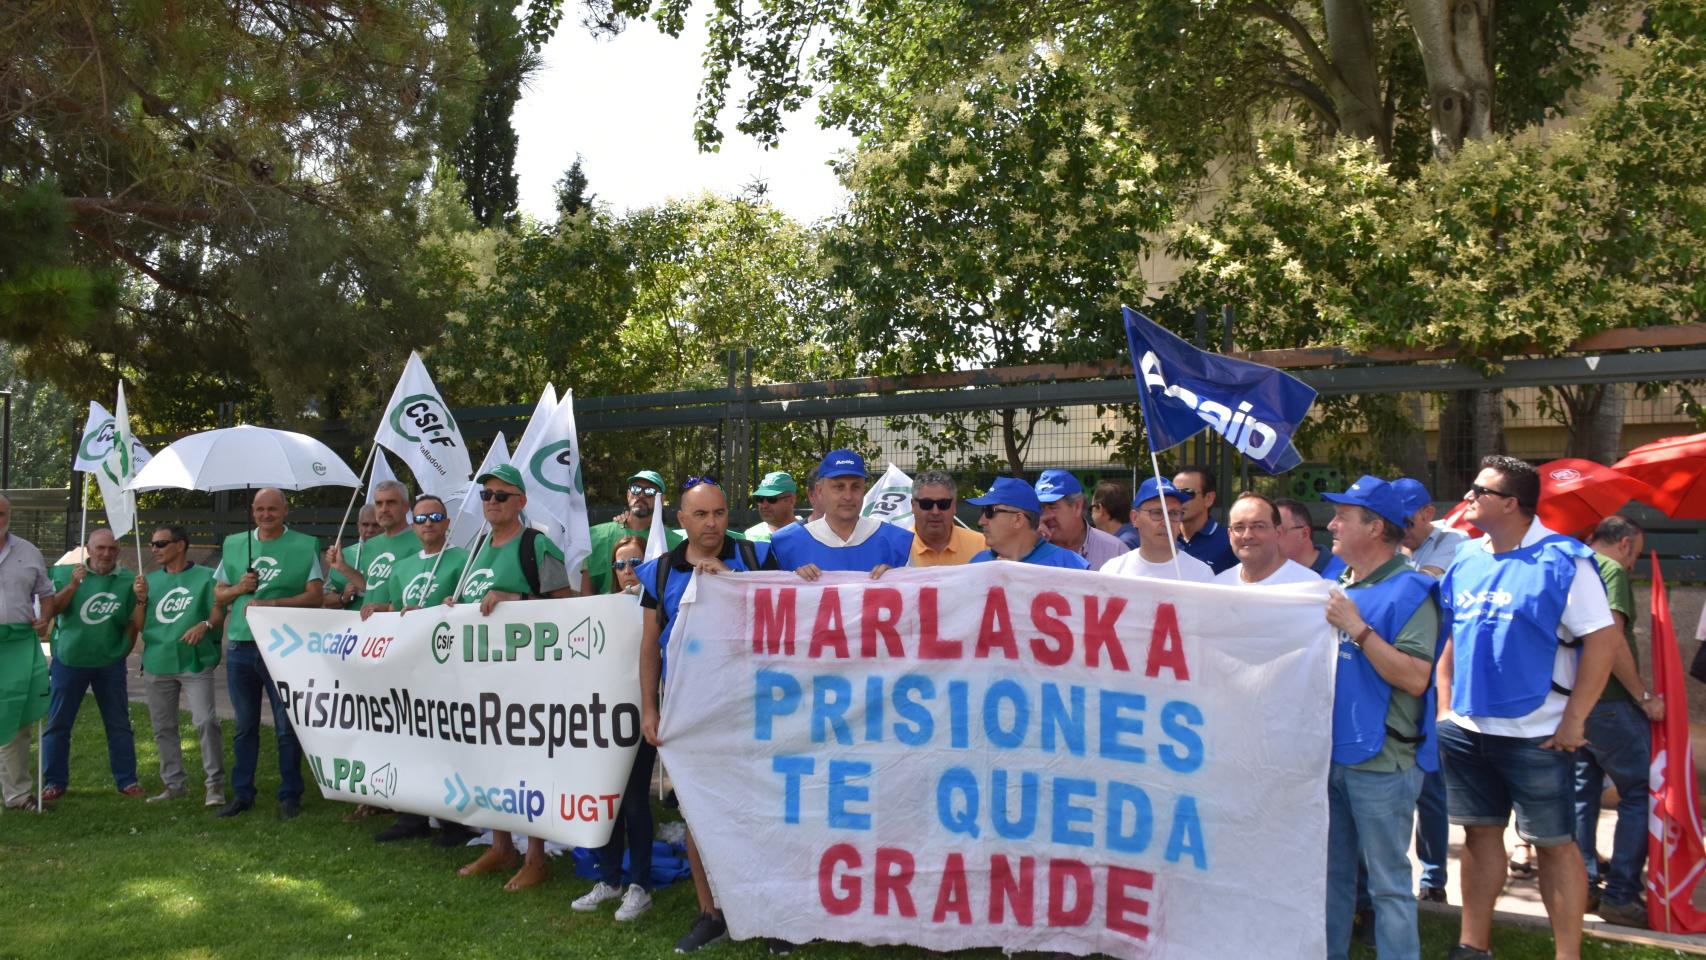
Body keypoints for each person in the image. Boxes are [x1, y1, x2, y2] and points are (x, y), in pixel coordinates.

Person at [1436, 456, 1623, 960]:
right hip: (1469, 728)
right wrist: (1446, 707)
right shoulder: (1466, 558)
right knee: (1479, 835)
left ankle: (1567, 954)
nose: (1468, 496)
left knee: (1554, 843)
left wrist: (1575, 720)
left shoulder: (1564, 559)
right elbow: (1454, 635)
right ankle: (1472, 946)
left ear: (1511, 503)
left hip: (1538, 734)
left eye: (1480, 490)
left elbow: (1603, 641)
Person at [635, 479, 778, 951]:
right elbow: (649, 647)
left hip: (753, 708)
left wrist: (732, 585)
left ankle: (769, 915)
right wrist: (649, 709)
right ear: (682, 521)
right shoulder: (659, 572)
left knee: (760, 812)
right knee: (699, 813)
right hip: (691, 713)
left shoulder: (755, 557)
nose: (712, 523)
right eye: (701, 515)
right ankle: (709, 912)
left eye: (718, 513)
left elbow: (785, 617)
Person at [1318, 475, 1443, 960]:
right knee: (1331, 878)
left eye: (1342, 517)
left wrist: (1358, 629)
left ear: (1375, 528)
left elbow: (1415, 678)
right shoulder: (1339, 583)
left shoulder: (1412, 590)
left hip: (1383, 763)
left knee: (1389, 885)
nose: (1330, 524)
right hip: (1333, 756)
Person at [452, 464, 577, 890]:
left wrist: (514, 599)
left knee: (527, 765)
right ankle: (502, 846)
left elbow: (567, 605)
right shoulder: (476, 547)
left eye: (501, 496)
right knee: (489, 760)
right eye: (486, 495)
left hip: (526, 678)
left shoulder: (535, 544)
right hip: (478, 677)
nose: (491, 502)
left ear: (520, 502)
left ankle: (536, 857)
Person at [360, 495, 475, 846]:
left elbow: (468, 605)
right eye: (422, 518)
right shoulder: (402, 567)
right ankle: (412, 817)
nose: (428, 523)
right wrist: (385, 608)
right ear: (413, 525)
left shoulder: (462, 559)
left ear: (447, 523)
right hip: (409, 668)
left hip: (447, 667)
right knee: (409, 742)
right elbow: (397, 609)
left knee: (445, 745)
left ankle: (452, 822)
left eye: (436, 517)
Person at [213, 487, 324, 819]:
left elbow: (316, 595)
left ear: (285, 510)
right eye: (259, 509)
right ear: (252, 511)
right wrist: (239, 589)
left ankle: (290, 794)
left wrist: (273, 603)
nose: (265, 515)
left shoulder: (305, 545)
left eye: (272, 509)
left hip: (285, 647)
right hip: (240, 645)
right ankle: (243, 794)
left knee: (285, 725)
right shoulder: (235, 544)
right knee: (244, 726)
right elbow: (219, 594)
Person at [573, 536, 665, 922]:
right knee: (605, 798)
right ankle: (609, 879)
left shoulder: (658, 605)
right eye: (620, 565)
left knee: (633, 802)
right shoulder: (601, 609)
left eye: (636, 562)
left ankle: (639, 885)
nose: (627, 570)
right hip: (602, 721)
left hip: (639, 716)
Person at [1575, 515, 1660, 927]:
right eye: (1636, 555)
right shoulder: (1609, 570)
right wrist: (1642, 696)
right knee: (1642, 791)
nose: (1633, 565)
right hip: (1609, 702)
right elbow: (1610, 640)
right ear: (1624, 544)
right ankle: (1622, 894)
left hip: (1573, 705)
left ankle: (1583, 887)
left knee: (1581, 795)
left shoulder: (1573, 563)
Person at [1389, 477, 1462, 904]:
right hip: (1395, 673)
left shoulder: (1454, 544)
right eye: (1391, 521)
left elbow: (1423, 585)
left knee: (1431, 786)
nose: (1401, 528)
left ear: (1427, 513)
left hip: (1437, 677)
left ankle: (1433, 880)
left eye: (1406, 520)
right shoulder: (1399, 548)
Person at [40, 527, 140, 800]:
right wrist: (73, 585)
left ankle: (127, 780)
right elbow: (52, 611)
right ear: (88, 548)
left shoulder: (129, 580)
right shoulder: (64, 575)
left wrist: (123, 649)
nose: (106, 553)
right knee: (58, 724)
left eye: (111, 548)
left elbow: (134, 620)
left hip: (109, 664)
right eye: (100, 548)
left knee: (118, 724)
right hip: (69, 661)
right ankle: (54, 782)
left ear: (118, 551)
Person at [130, 525, 226, 805]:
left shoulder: (207, 578)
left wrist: (205, 625)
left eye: (161, 544)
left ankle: (215, 785)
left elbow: (218, 611)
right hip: (158, 662)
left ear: (180, 545)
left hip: (194, 662)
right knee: (163, 726)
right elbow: (139, 624)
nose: (154, 549)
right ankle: (173, 784)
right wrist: (140, 598)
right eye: (152, 544)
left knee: (206, 721)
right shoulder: (147, 581)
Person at [770, 450, 912, 577]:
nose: (848, 496)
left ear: (864, 489)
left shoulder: (897, 542)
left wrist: (899, 580)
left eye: (855, 487)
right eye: (839, 487)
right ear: (819, 491)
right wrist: (794, 581)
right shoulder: (786, 543)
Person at [0, 492, 54, 811]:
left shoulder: (29, 552)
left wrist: (45, 617)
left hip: (18, 644)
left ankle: (18, 793)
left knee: (16, 718)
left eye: (3, 514)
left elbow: (45, 593)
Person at [324, 479, 419, 611]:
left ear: (406, 506)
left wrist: (385, 608)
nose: (384, 509)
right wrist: (342, 567)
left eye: (391, 503)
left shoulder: (420, 543)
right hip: (369, 625)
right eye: (379, 504)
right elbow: (370, 585)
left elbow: (421, 595)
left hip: (400, 626)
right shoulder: (371, 544)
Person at [1100, 478, 1216, 582]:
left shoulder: (1201, 575)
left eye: (1174, 513)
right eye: (1157, 513)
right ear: (1135, 518)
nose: (1167, 522)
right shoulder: (1113, 572)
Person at [588, 470, 683, 595]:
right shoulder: (596, 535)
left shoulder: (676, 543)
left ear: (661, 499)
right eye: (636, 489)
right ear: (628, 495)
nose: (641, 495)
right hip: (606, 612)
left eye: (650, 491)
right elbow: (586, 593)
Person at [966, 477, 1089, 569]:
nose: (981, 521)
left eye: (989, 511)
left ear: (1018, 519)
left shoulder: (1070, 565)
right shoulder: (977, 563)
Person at [1215, 492, 1319, 585]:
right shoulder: (1218, 587)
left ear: (1277, 532)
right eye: (1239, 527)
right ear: (1229, 534)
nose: (1247, 535)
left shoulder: (1309, 585)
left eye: (1259, 526)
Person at [1034, 469, 1128, 569]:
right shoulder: (1031, 549)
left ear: (1077, 506)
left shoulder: (1115, 551)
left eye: (1053, 507)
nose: (1045, 516)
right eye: (1040, 508)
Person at [1392, 478, 1468, 577]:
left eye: (1407, 522)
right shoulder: (1389, 541)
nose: (1401, 529)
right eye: (1393, 522)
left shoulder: (1454, 539)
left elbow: (1423, 581)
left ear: (1428, 514)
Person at [909, 470, 985, 566]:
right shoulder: (896, 550)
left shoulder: (982, 546)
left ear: (954, 506)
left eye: (943, 504)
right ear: (913, 506)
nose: (935, 512)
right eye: (926, 504)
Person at [1172, 465, 1236, 573]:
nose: (1180, 499)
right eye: (1174, 493)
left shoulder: (1230, 541)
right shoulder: (1165, 538)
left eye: (1187, 492)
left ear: (1209, 498)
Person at [323, 504, 380, 609]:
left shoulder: (392, 553)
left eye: (375, 525)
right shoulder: (344, 555)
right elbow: (325, 598)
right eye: (365, 524)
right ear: (358, 526)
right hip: (351, 623)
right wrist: (343, 597)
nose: (370, 529)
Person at [1276, 497, 1346, 580]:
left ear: (1304, 534)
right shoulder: (1266, 574)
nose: (1269, 538)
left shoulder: (1345, 573)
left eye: (1278, 532)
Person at [743, 471, 800, 541]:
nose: (764, 506)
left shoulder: (810, 533)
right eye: (760, 499)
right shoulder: (750, 537)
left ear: (791, 500)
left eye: (771, 499)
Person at [1090, 480, 1142, 550]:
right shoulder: (1128, 536)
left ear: (1100, 509)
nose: (1091, 513)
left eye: (1091, 508)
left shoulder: (1122, 544)